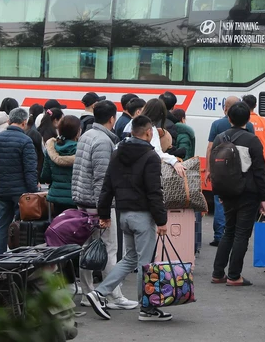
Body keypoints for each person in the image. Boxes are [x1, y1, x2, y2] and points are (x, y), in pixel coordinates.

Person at [85, 114, 173, 323]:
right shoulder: (150, 157)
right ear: (148, 132)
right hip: (142, 216)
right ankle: (147, 308)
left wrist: (104, 214)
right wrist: (161, 220)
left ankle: (99, 292)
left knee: (130, 258)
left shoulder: (117, 152)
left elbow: (107, 186)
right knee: (145, 264)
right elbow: (154, 191)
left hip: (123, 214)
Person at [71, 100, 136, 310]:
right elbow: (102, 180)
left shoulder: (86, 135)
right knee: (110, 249)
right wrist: (104, 212)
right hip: (97, 203)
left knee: (87, 249)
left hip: (83, 200)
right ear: (112, 118)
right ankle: (113, 294)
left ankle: (87, 293)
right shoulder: (103, 141)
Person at [210, 101, 265, 287]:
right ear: (248, 119)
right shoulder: (252, 141)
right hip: (247, 193)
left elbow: (215, 168)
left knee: (229, 231)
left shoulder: (220, 138)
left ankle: (218, 273)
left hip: (227, 191)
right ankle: (234, 276)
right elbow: (260, 171)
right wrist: (264, 197)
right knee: (242, 234)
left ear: (229, 118)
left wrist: (219, 191)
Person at [0, 107, 38, 259]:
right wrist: (33, 192)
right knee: (22, 227)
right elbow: (30, 170)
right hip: (21, 193)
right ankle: (19, 258)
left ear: (9, 121)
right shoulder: (26, 141)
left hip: (2, 190)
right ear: (24, 122)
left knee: (2, 225)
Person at [207, 96, 250, 246]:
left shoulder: (217, 124)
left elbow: (210, 148)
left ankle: (219, 236)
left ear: (225, 108)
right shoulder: (249, 126)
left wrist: (209, 169)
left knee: (220, 202)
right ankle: (235, 235)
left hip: (221, 171)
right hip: (241, 171)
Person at [41, 115, 80, 216]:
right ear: (78, 132)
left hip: (56, 197)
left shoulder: (51, 149)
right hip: (76, 197)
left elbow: (45, 176)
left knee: (59, 224)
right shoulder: (82, 150)